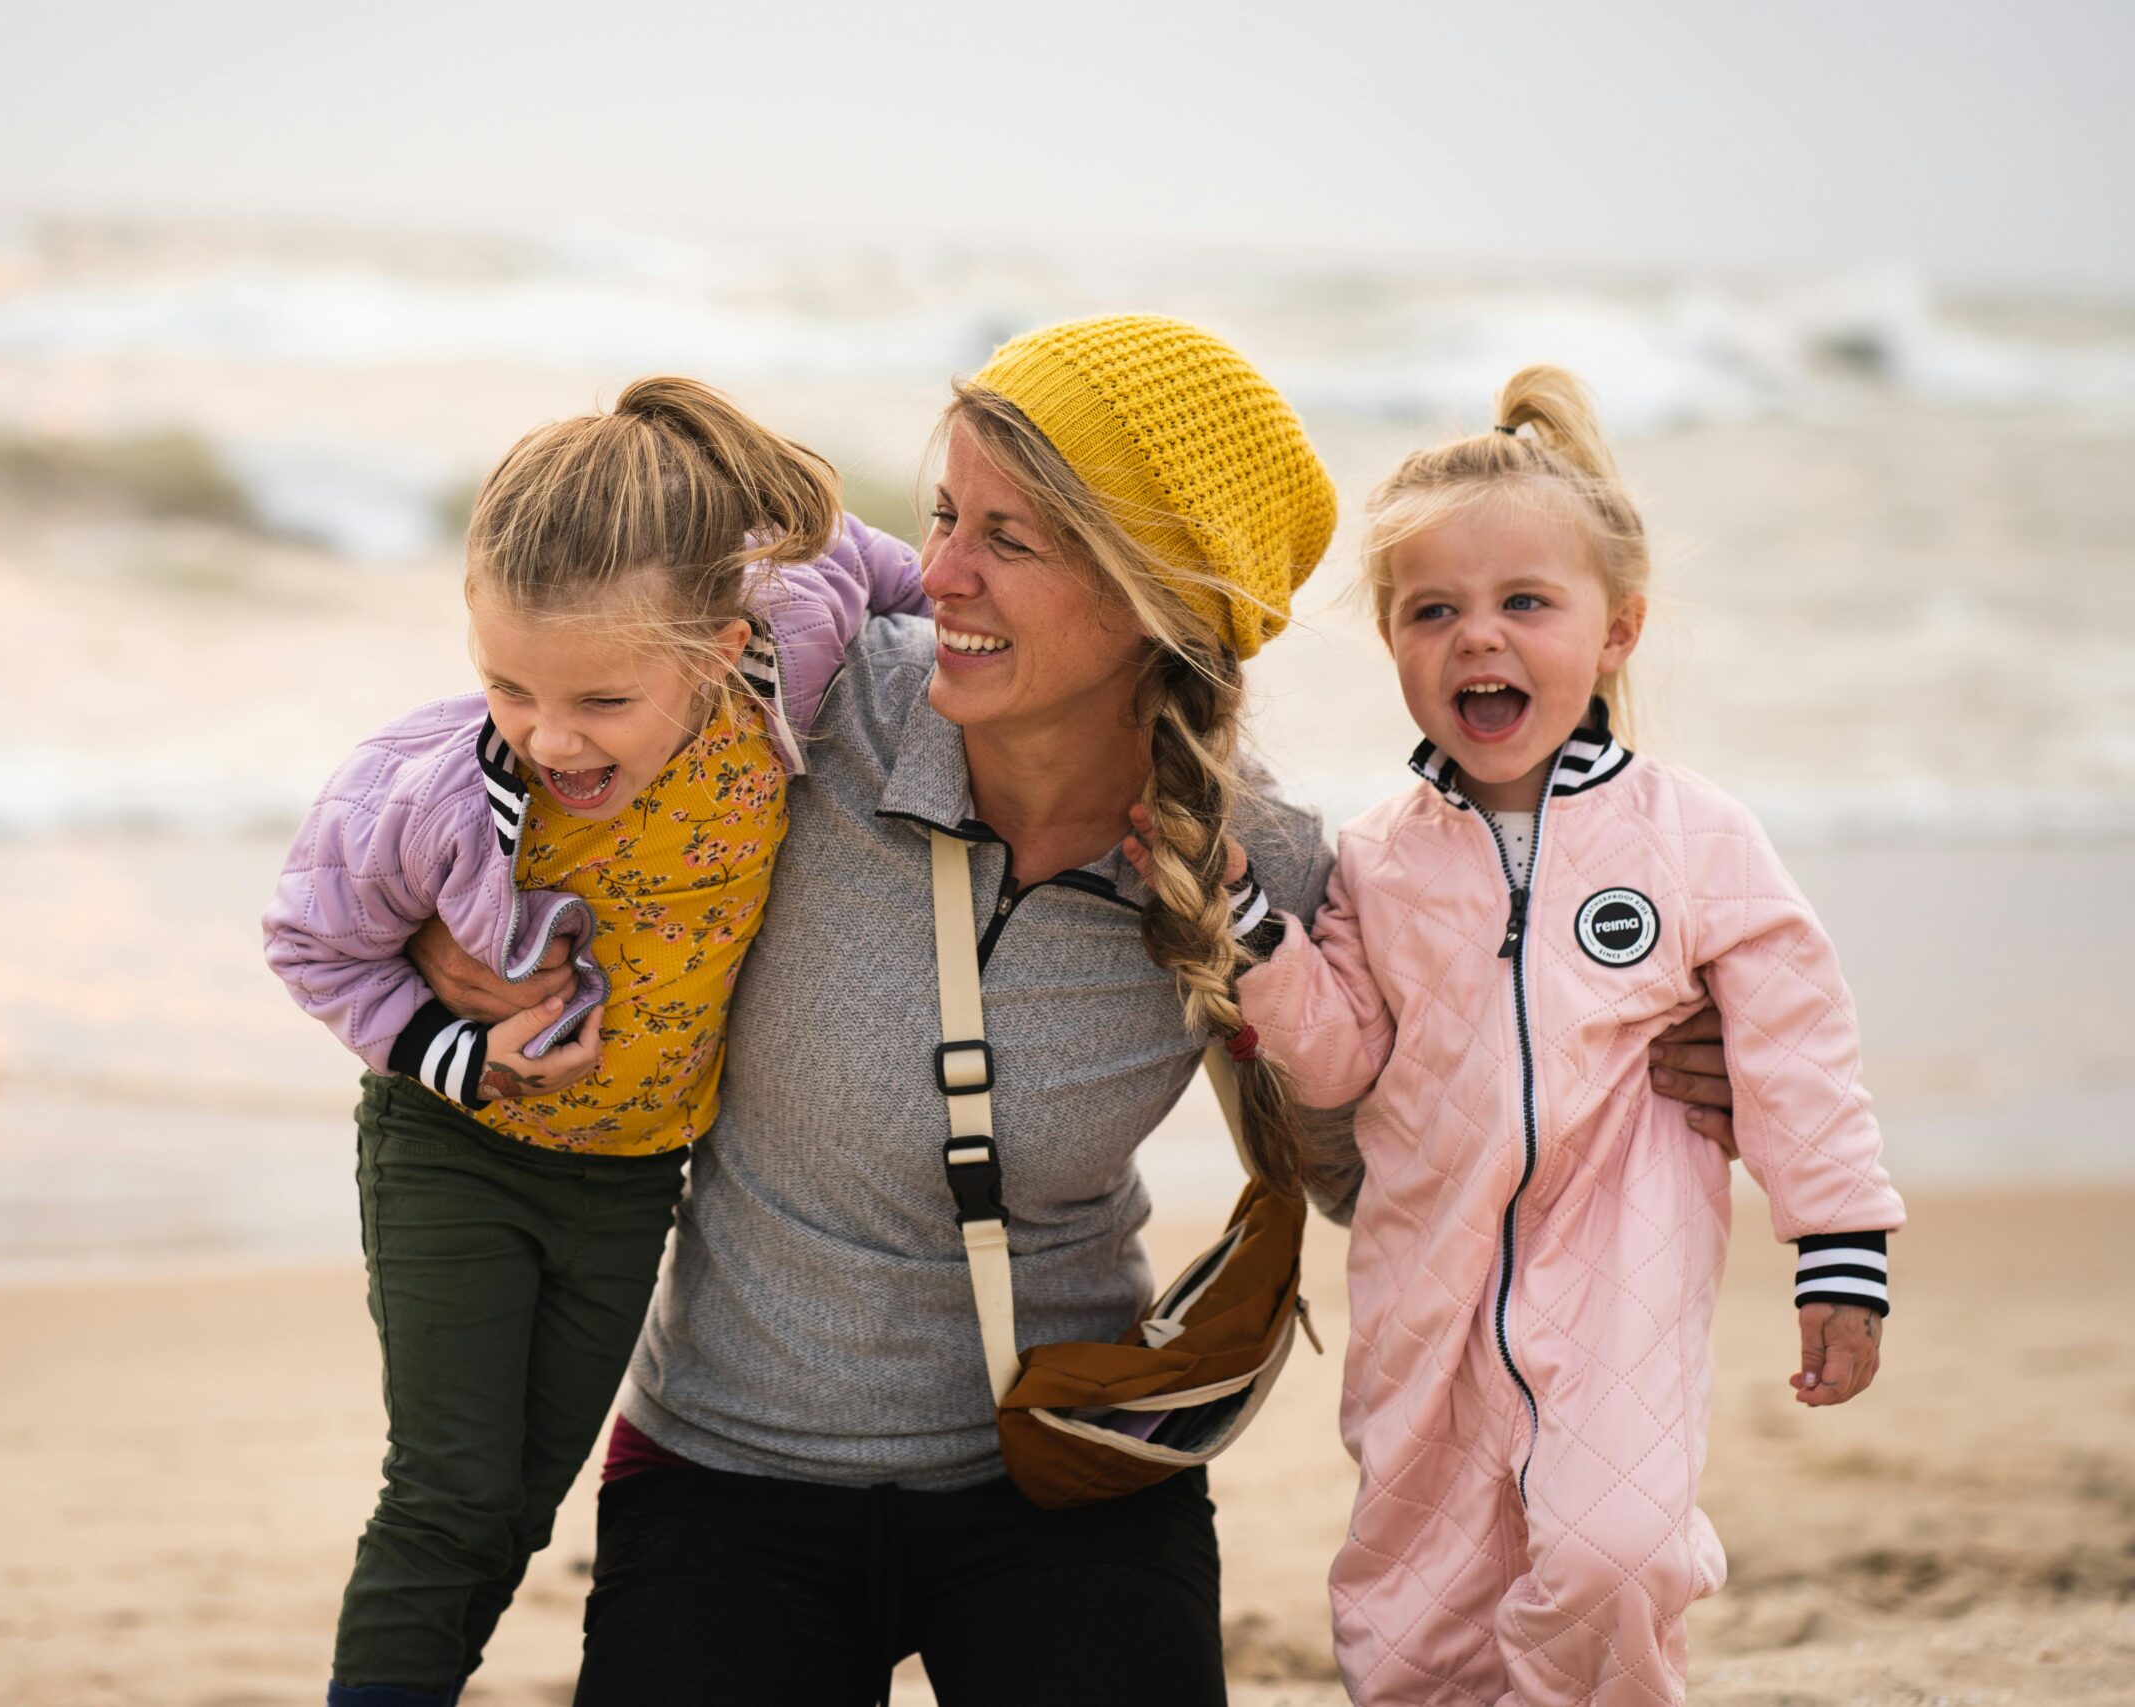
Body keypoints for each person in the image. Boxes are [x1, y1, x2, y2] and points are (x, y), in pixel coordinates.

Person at [412, 321, 1743, 1706]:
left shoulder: (1259, 868)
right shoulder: (803, 722)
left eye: (1011, 537)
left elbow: (1372, 1170)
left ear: (1158, 596)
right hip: (724, 1468)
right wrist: (446, 943)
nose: (938, 574)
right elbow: (526, 737)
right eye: (942, 516)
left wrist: (1619, 1042)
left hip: (1060, 1469)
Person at [1218, 365, 1904, 1704]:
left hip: (1623, 1276)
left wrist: (1843, 1248)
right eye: (1435, 612)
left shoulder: (1691, 837)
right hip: (1429, 1285)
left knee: (1618, 1560)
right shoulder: (1382, 858)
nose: (1480, 638)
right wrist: (1252, 934)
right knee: (1418, 1593)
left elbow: (1796, 1044)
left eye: (1526, 602)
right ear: (1393, 643)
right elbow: (1342, 1056)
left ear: (1616, 630)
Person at [261, 375, 929, 1707]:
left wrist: (954, 624)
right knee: (446, 1494)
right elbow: (313, 942)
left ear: (715, 638)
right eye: (508, 684)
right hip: (457, 1152)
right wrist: (456, 1043)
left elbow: (870, 565)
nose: (551, 736)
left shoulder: (781, 656)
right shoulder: (433, 792)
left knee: (519, 1507)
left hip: (633, 1174)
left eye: (600, 703)